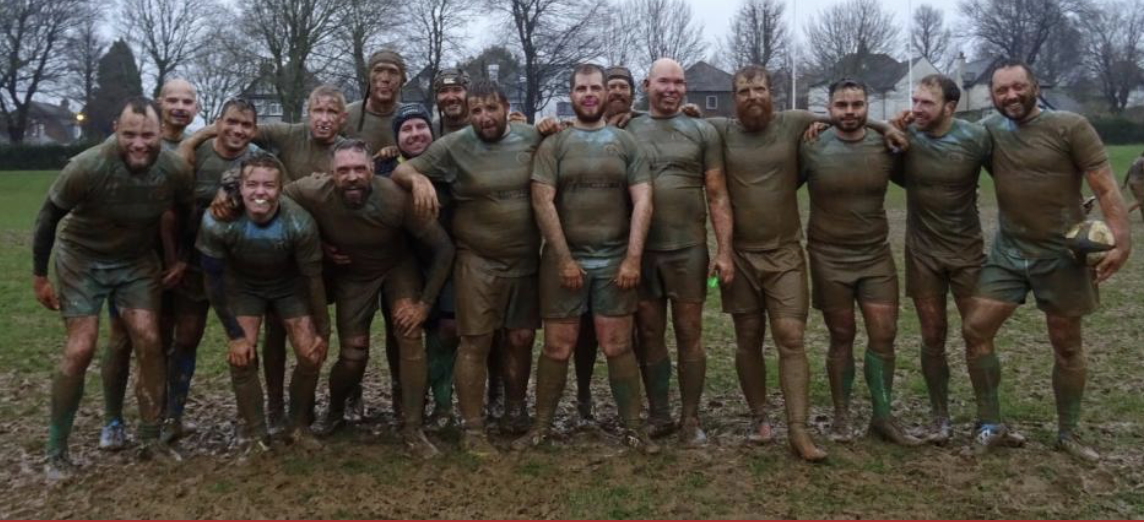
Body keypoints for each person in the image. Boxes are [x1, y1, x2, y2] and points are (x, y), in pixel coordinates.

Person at [962, 59, 1131, 461]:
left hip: (1063, 254)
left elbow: (1105, 188)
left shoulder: (1070, 127)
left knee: (1067, 345)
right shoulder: (990, 131)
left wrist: (1120, 241)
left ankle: (1068, 433)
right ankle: (991, 424)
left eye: (1018, 87)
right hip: (1009, 252)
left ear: (1035, 85)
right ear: (993, 95)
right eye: (1001, 90)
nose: (1011, 96)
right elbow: (946, 138)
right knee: (975, 330)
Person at [32, 97, 193, 479]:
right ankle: (56, 451)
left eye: (148, 135)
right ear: (115, 131)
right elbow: (47, 217)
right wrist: (40, 275)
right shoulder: (87, 167)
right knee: (81, 346)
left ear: (160, 134)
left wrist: (182, 257)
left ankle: (150, 439)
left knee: (149, 338)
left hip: (135, 260)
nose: (139, 143)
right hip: (82, 258)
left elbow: (188, 212)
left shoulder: (174, 168)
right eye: (130, 135)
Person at [393, 80, 542, 457]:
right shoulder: (454, 145)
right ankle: (473, 429)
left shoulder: (531, 137)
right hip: (477, 259)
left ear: (507, 106)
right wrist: (418, 178)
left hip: (524, 259)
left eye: (491, 108)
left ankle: (514, 408)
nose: (484, 117)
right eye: (476, 111)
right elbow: (402, 171)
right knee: (476, 340)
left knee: (521, 337)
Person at [513, 64, 657, 453]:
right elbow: (542, 201)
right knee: (558, 346)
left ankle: (633, 429)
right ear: (572, 94)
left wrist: (632, 258)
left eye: (596, 88)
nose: (590, 94)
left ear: (606, 94)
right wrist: (562, 259)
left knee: (617, 345)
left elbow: (643, 200)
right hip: (564, 261)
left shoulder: (625, 143)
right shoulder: (554, 144)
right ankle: (541, 427)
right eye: (582, 89)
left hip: (614, 261)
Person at [800, 78, 918, 446]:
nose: (849, 112)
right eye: (841, 106)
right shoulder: (812, 144)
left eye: (857, 105)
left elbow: (920, 177)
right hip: (828, 256)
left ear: (868, 106)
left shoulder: (886, 144)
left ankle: (882, 417)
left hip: (875, 256)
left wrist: (891, 129)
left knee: (884, 335)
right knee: (842, 336)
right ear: (829, 108)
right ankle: (841, 415)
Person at [624, 58, 734, 446]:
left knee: (690, 333)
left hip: (689, 252)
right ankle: (659, 414)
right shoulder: (627, 128)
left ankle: (691, 418)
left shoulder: (702, 130)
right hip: (643, 253)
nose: (671, 89)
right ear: (646, 84)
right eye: (663, 82)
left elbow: (717, 194)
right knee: (649, 332)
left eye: (679, 82)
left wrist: (724, 251)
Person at [197, 153, 330, 451]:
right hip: (243, 287)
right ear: (240, 188)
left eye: (268, 186)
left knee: (311, 354)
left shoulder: (299, 222)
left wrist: (324, 330)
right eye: (252, 185)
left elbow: (312, 279)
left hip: (288, 286)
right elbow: (212, 282)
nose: (260, 192)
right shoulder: (217, 221)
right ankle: (256, 432)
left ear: (280, 190)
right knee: (242, 356)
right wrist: (234, 335)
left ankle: (297, 425)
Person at [98, 78, 201, 448]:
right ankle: (112, 421)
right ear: (159, 104)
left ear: (197, 108)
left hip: (186, 262)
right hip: (133, 257)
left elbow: (190, 209)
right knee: (123, 338)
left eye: (187, 101)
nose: (179, 106)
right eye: (172, 99)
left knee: (184, 336)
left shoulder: (199, 149)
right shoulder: (131, 145)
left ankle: (170, 415)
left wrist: (183, 259)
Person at [893, 75, 994, 445]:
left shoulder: (976, 138)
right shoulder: (904, 138)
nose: (917, 109)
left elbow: (1014, 178)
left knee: (977, 333)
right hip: (922, 254)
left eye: (926, 103)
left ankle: (989, 418)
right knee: (932, 335)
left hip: (967, 252)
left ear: (950, 107)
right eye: (915, 101)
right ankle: (940, 418)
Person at [345, 50, 406, 153]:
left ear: (402, 80)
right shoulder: (346, 116)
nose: (385, 78)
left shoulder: (410, 117)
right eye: (378, 70)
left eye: (393, 72)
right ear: (368, 76)